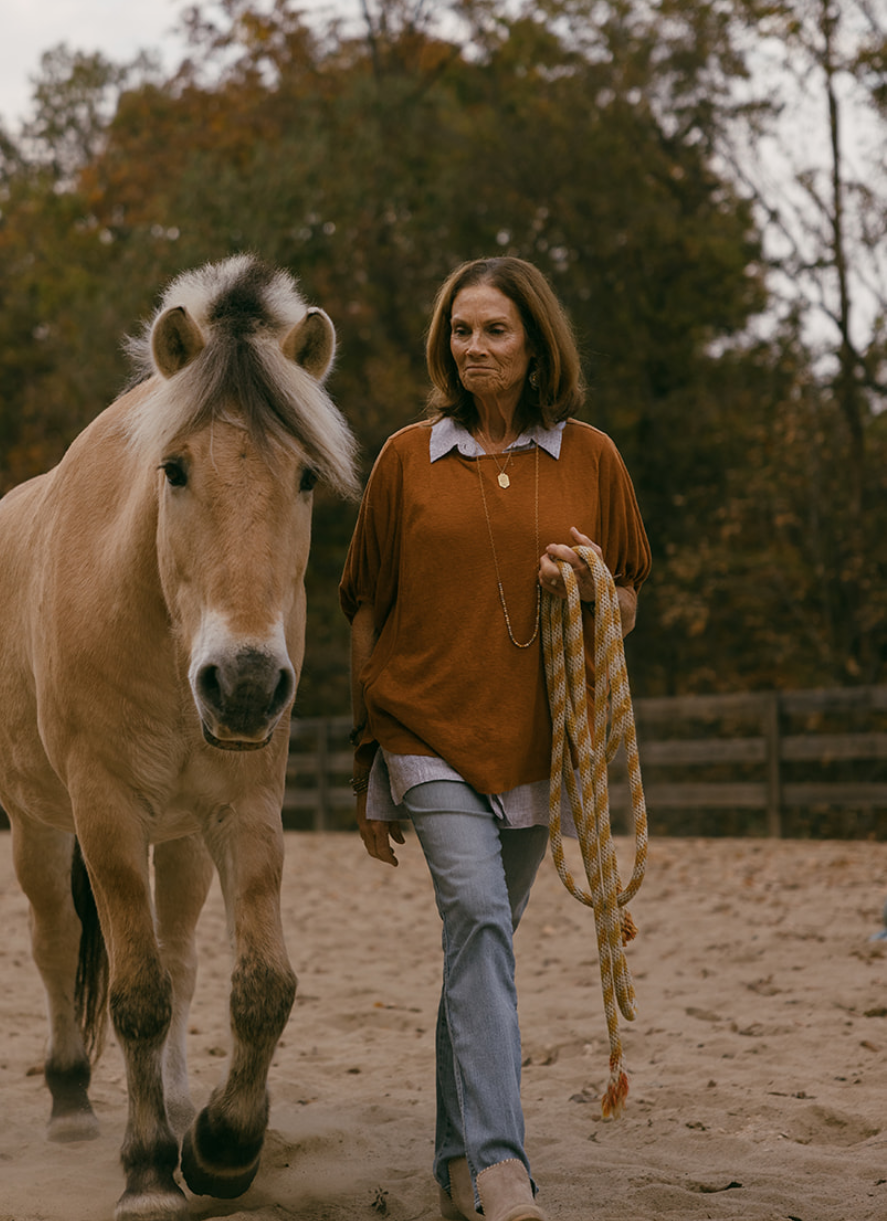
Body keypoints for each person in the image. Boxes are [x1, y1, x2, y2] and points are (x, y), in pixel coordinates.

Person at [340, 257, 651, 1221]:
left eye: (494, 331)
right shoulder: (404, 458)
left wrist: (594, 589)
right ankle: (503, 1166)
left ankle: (449, 1156)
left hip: (539, 745)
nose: (472, 347)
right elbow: (363, 605)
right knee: (476, 913)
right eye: (460, 331)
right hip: (423, 730)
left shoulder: (591, 456)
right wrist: (366, 756)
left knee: (480, 942)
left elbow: (631, 595)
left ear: (534, 343)